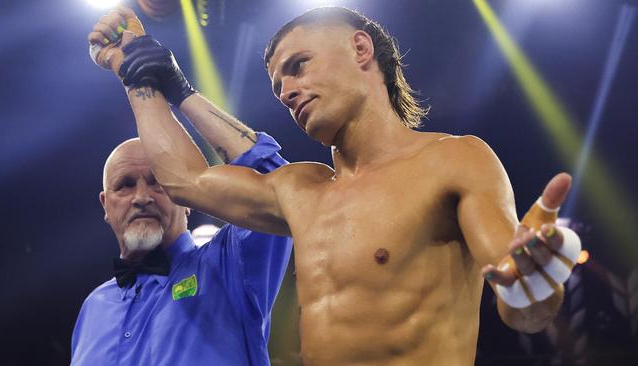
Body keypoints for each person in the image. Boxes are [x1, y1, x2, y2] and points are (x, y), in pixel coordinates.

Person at [89, 6, 582, 365]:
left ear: (360, 48)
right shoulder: (302, 189)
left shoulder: (454, 159)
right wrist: (137, 73)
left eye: (297, 66)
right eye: (279, 88)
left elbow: (524, 306)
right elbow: (184, 180)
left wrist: (532, 280)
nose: (286, 91)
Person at [70, 104, 293, 364]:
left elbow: (278, 188)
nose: (142, 197)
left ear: (186, 198)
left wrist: (182, 94)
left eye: (158, 183)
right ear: (106, 205)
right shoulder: (94, 307)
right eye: (125, 185)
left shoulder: (229, 265)